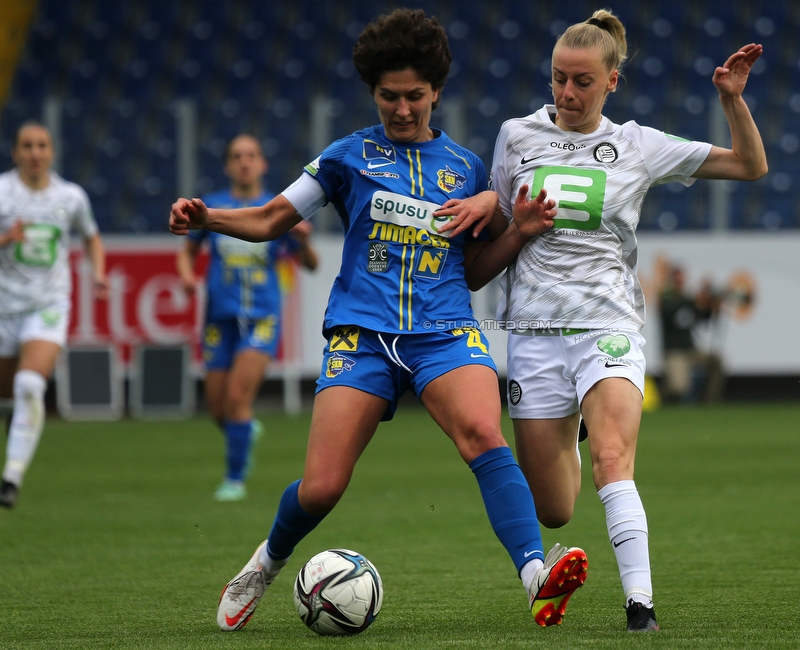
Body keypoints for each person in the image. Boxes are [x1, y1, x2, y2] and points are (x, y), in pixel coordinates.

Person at [170, 9, 587, 632]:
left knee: (483, 433)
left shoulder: (467, 169)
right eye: (388, 96)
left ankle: (535, 576)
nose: (401, 108)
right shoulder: (346, 157)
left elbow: (474, 272)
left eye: (414, 96)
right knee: (322, 489)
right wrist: (209, 219)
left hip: (444, 332)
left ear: (436, 92)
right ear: (373, 93)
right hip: (362, 337)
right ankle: (267, 559)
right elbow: (268, 220)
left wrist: (519, 231)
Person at [437, 9, 766, 632]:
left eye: (582, 82)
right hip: (533, 334)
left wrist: (732, 102)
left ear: (612, 81)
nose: (566, 93)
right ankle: (577, 426)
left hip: (607, 323)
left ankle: (640, 607)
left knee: (613, 461)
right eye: (558, 79)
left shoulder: (638, 145)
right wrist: (492, 204)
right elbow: (496, 226)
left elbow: (749, 166)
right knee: (555, 509)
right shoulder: (516, 136)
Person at [175, 134, 318, 502]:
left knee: (238, 398)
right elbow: (187, 251)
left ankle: (234, 480)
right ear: (227, 165)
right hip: (219, 318)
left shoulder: (275, 210)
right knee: (218, 409)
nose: (244, 162)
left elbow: (311, 265)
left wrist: (303, 242)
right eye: (237, 156)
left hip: (261, 318)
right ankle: (244, 429)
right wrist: (187, 276)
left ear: (262, 164)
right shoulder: (214, 208)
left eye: (251, 155)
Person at [0, 122, 107, 508]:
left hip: (47, 306)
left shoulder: (70, 197)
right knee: (9, 396)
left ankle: (10, 477)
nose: (34, 152)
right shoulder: (2, 193)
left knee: (29, 384)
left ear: (51, 152)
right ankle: (14, 424)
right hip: (3, 307)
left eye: (41, 145)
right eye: (26, 145)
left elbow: (91, 236)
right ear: (15, 153)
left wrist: (98, 273)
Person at [652, 256, 724, 403]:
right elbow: (671, 313)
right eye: (677, 279)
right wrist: (696, 301)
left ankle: (709, 401)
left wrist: (711, 307)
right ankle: (660, 395)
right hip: (674, 352)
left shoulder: (687, 299)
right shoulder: (666, 298)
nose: (680, 282)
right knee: (679, 388)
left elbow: (702, 318)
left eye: (682, 278)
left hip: (690, 349)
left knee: (716, 360)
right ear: (671, 280)